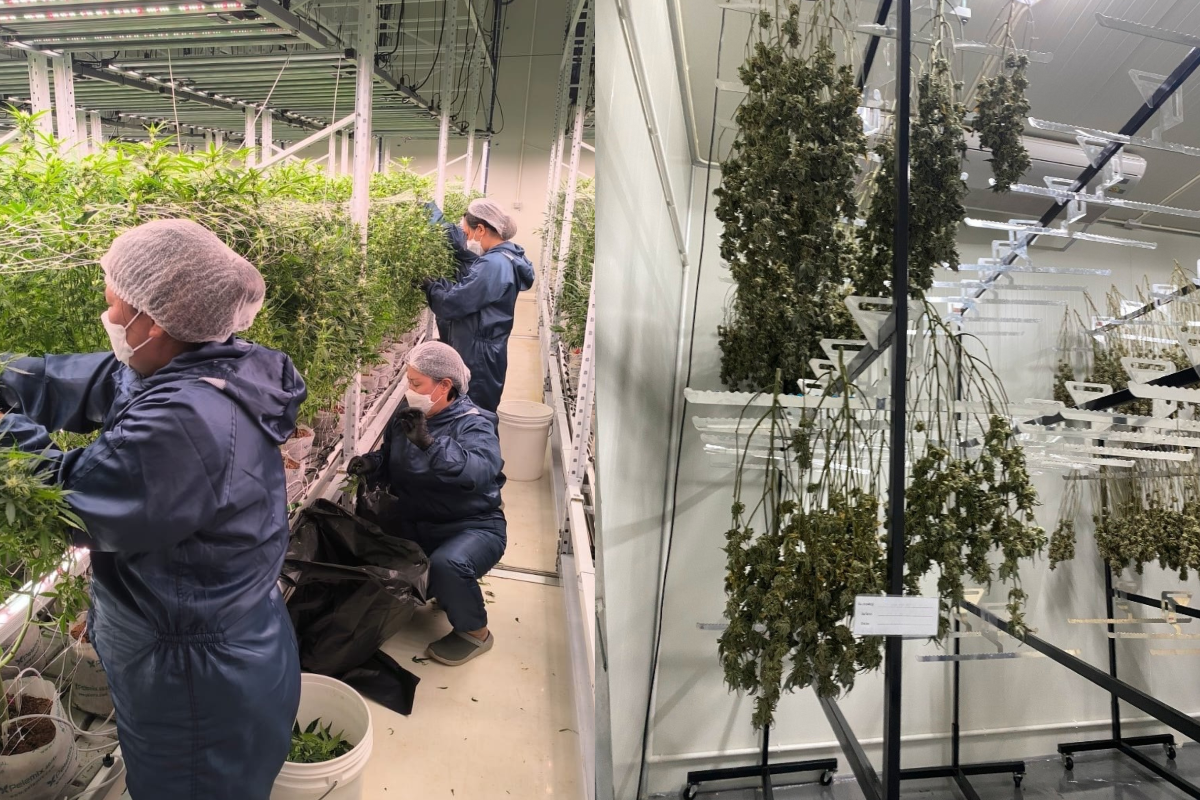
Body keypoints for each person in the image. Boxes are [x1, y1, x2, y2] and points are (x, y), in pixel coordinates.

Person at [0, 219, 304, 799]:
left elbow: (70, 497)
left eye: (114, 304)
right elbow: (84, 382)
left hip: (197, 680)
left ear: (153, 319)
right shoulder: (195, 362)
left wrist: (3, 433)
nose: (108, 317)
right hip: (199, 632)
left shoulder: (186, 420)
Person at [348, 341, 506, 666]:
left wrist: (430, 444)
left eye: (416, 383)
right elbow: (392, 458)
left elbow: (478, 470)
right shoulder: (409, 418)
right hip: (419, 522)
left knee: (449, 565)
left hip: (472, 526)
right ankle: (438, 583)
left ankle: (475, 633)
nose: (409, 389)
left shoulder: (474, 423)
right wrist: (373, 463)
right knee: (377, 567)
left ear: (445, 385)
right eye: (408, 381)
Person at [421, 198, 535, 414]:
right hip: (484, 349)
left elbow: (454, 304)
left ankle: (477, 448)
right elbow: (472, 285)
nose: (466, 239)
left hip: (477, 356)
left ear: (480, 229)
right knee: (474, 412)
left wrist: (430, 287)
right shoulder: (504, 258)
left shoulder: (493, 265)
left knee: (474, 414)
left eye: (466, 233)